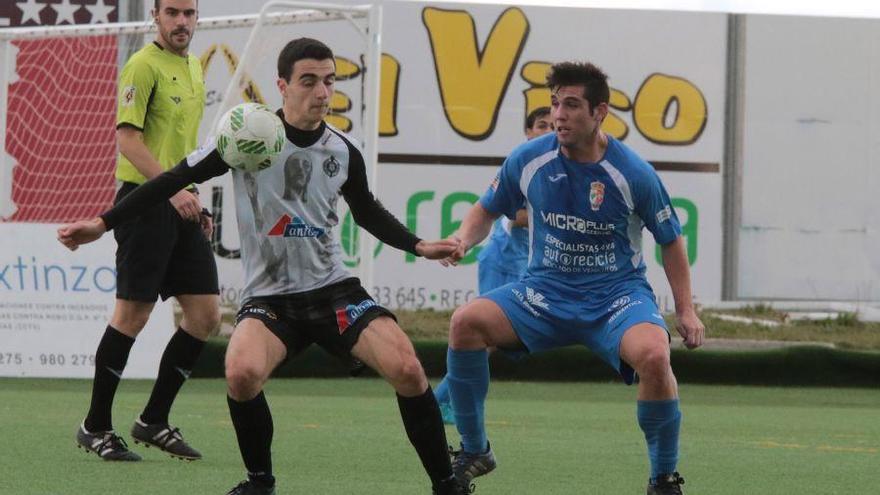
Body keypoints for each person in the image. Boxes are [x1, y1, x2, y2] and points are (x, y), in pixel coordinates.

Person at [59, 38, 472, 495]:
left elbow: (367, 210)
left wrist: (419, 245)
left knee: (409, 369)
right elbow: (174, 179)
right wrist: (102, 222)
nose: (321, 92)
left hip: (334, 291)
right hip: (271, 300)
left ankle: (446, 484)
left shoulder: (344, 150)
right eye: (309, 81)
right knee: (240, 373)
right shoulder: (245, 136)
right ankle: (260, 483)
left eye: (330, 81)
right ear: (282, 85)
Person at [438, 62, 705, 495]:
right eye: (555, 104)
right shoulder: (529, 158)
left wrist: (686, 310)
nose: (559, 114)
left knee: (655, 356)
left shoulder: (633, 172)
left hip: (615, 299)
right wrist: (462, 239)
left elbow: (671, 240)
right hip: (543, 292)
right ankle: (474, 450)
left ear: (600, 112)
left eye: (572, 105)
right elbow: (486, 207)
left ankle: (663, 478)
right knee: (465, 323)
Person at [73, 0, 219, 463]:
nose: (181, 21)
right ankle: (94, 426)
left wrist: (191, 193)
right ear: (155, 16)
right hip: (144, 205)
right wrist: (172, 190)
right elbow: (128, 140)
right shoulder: (141, 65)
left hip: (181, 203)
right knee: (131, 318)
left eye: (189, 13)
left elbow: (182, 147)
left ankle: (153, 419)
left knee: (205, 316)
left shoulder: (195, 65)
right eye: (172, 12)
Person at [434, 107, 554, 424]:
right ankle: (442, 402)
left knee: (492, 339)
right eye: (542, 125)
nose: (549, 131)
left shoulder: (555, 167)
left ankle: (449, 402)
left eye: (553, 126)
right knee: (487, 336)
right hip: (504, 257)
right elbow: (516, 216)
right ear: (528, 132)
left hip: (520, 262)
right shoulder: (526, 165)